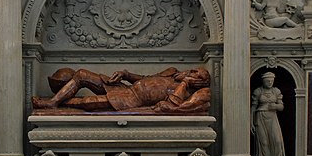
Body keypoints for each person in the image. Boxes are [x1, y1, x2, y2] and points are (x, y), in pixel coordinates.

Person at [32, 66, 211, 114]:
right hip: (124, 88)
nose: (191, 72)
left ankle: (60, 105)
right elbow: (144, 78)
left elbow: (175, 106)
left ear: (200, 84)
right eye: (193, 70)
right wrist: (125, 74)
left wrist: (184, 84)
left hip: (129, 101)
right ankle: (53, 102)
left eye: (197, 75)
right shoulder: (171, 72)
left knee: (86, 102)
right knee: (81, 74)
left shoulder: (193, 93)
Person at [251, 72, 292, 156]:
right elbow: (253, 107)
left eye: (271, 81)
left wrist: (276, 106)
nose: (269, 82)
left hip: (273, 117)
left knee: (277, 140)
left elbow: (281, 106)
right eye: (267, 81)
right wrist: (251, 122)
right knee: (263, 141)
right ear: (263, 81)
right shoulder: (258, 91)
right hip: (260, 116)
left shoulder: (276, 91)